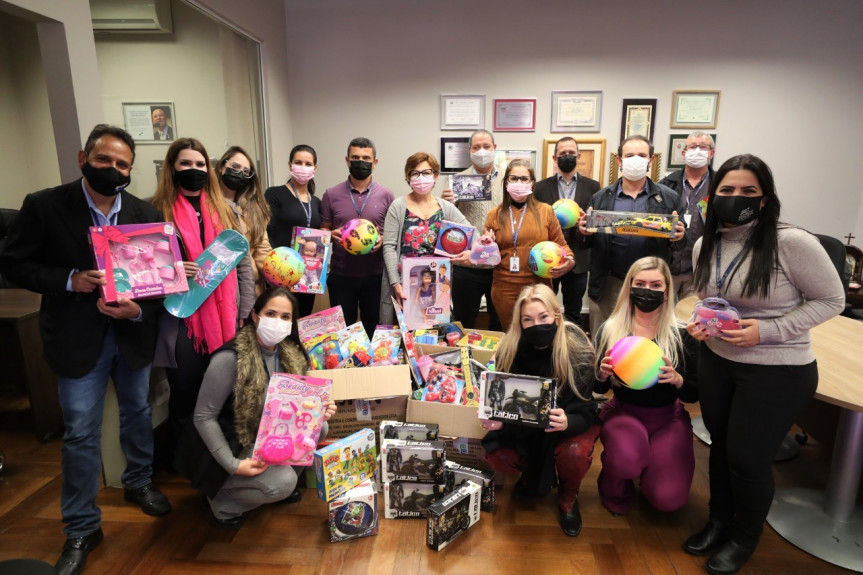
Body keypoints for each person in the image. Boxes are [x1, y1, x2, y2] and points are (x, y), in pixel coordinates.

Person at [0, 124, 171, 575]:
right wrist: (69, 279)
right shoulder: (44, 206)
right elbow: (13, 261)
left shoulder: (142, 212)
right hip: (77, 340)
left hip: (130, 335)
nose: (112, 169)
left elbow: (157, 285)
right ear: (83, 158)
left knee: (137, 411)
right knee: (79, 432)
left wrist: (137, 309)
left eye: (122, 165)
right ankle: (81, 526)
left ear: (130, 171)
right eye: (104, 160)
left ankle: (138, 482)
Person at [683, 154, 844, 574]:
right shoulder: (706, 243)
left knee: (747, 459)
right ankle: (719, 521)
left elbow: (832, 300)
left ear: (766, 199)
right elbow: (710, 300)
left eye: (748, 192)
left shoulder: (792, 243)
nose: (736, 199)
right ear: (713, 197)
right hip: (719, 361)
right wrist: (701, 323)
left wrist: (766, 331)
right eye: (727, 191)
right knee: (721, 449)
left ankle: (745, 536)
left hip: (778, 368)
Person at [176, 286, 337, 528]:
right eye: (270, 314)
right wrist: (233, 464)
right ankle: (222, 500)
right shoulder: (231, 358)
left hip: (265, 436)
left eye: (285, 317)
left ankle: (271, 483)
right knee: (283, 482)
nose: (277, 322)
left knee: (320, 427)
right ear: (254, 315)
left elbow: (293, 410)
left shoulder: (290, 353)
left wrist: (319, 409)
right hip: (230, 442)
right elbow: (203, 417)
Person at [152, 138, 255, 460]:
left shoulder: (227, 210)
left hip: (228, 318)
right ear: (172, 168)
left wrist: (245, 310)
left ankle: (221, 457)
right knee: (185, 390)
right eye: (185, 164)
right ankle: (187, 460)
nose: (193, 170)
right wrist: (171, 269)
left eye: (199, 165)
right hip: (181, 318)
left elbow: (243, 265)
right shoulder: (156, 212)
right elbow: (141, 270)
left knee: (225, 391)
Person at [480, 284, 600, 537]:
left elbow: (586, 409)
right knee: (498, 453)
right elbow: (507, 404)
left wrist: (568, 420)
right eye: (528, 320)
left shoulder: (577, 348)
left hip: (568, 424)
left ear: (557, 315)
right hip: (527, 428)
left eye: (543, 317)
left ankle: (568, 495)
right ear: (520, 323)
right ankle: (530, 473)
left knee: (574, 454)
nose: (537, 325)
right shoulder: (510, 349)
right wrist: (500, 421)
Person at [594, 256, 698, 516]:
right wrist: (603, 375)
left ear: (666, 292)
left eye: (655, 285)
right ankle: (615, 483)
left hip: (668, 417)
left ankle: (652, 468)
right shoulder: (610, 329)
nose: (647, 291)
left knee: (668, 499)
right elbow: (594, 388)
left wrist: (679, 380)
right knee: (626, 460)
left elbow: (695, 393)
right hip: (623, 413)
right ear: (629, 287)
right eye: (640, 283)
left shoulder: (682, 334)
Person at [578, 135, 687, 336]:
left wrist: (679, 236)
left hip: (650, 283)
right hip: (610, 282)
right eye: (629, 155)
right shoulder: (601, 197)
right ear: (619, 161)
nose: (635, 159)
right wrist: (584, 232)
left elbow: (679, 244)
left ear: (651, 160)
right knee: (605, 337)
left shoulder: (669, 198)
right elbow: (587, 242)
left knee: (646, 337)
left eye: (641, 155)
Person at [379, 152, 472, 325]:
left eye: (427, 172)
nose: (421, 178)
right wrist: (395, 284)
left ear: (435, 175)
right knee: (406, 338)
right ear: (408, 177)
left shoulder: (445, 208)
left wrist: (471, 252)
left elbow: (472, 235)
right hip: (405, 284)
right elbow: (389, 247)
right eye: (415, 173)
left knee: (437, 336)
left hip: (437, 283)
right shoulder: (398, 206)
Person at [483, 159, 574, 329]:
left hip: (538, 287)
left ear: (532, 183)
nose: (519, 183)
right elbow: (486, 256)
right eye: (514, 178)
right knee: (512, 336)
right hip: (504, 287)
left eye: (524, 179)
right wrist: (485, 245)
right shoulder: (494, 214)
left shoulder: (546, 211)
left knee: (539, 335)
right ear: (506, 183)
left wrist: (569, 261)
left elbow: (563, 246)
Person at [321, 137, 394, 337]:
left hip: (376, 276)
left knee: (374, 329)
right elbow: (322, 232)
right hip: (341, 275)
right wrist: (330, 235)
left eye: (366, 158)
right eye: (355, 157)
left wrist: (382, 238)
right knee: (343, 332)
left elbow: (393, 234)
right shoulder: (331, 194)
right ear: (347, 160)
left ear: (375, 162)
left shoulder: (387, 195)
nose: (360, 162)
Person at [534, 137, 602, 325]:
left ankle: (571, 347)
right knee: (544, 307)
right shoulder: (540, 187)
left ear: (578, 156)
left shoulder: (593, 186)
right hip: (548, 257)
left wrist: (585, 222)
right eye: (563, 154)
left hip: (579, 258)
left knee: (574, 310)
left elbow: (595, 222)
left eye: (571, 153)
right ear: (555, 158)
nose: (567, 157)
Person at [442, 129, 504, 330]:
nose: (482, 151)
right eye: (476, 147)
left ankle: (498, 361)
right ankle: (462, 360)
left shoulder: (508, 179)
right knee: (463, 321)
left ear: (495, 148)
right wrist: (446, 203)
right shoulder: (456, 181)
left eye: (487, 146)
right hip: (467, 265)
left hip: (498, 265)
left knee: (499, 321)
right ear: (469, 150)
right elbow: (446, 222)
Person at [265, 144, 322, 318]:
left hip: (307, 275)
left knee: (302, 320)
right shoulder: (274, 194)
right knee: (281, 321)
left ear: (315, 168)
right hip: (281, 273)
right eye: (298, 162)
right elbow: (267, 233)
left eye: (307, 163)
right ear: (290, 165)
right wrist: (276, 268)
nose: (303, 167)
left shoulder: (316, 202)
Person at [658, 131, 717, 300]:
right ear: (684, 154)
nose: (697, 151)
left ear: (711, 153)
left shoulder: (720, 185)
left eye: (703, 147)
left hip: (701, 270)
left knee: (692, 319)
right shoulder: (665, 185)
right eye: (692, 147)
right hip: (669, 266)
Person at [216, 145, 272, 295]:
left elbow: (262, 250)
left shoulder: (254, 209)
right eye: (235, 166)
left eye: (245, 171)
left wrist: (278, 271)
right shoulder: (207, 205)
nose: (239, 173)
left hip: (252, 289)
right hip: (219, 286)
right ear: (222, 167)